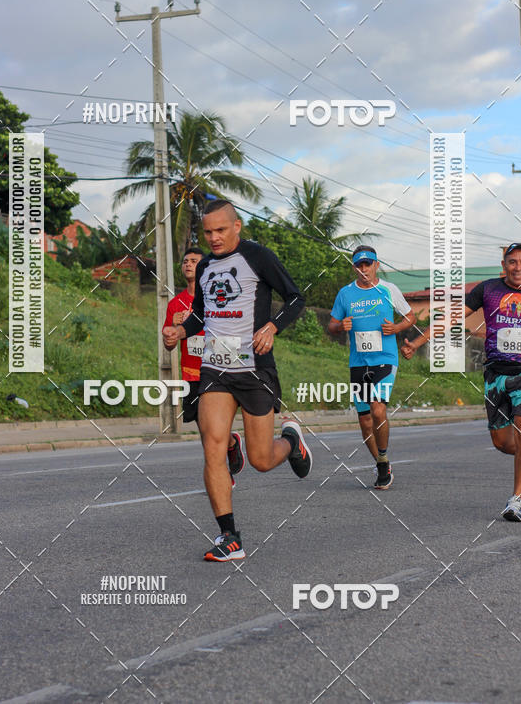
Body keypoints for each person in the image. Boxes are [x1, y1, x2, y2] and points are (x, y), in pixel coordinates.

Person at [162, 200, 310, 561]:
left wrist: (272, 326)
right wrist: (181, 329)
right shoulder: (207, 265)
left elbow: (295, 299)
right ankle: (229, 537)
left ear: (237, 226)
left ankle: (291, 441)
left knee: (261, 459)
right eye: (207, 232)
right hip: (215, 369)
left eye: (220, 230)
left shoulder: (258, 256)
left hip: (254, 369)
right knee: (211, 444)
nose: (213, 238)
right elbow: (201, 310)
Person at [451, 244, 521, 521]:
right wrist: (418, 340)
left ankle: (516, 500)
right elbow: (455, 315)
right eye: (512, 262)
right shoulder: (487, 290)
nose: (518, 267)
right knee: (502, 442)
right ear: (504, 265)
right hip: (495, 374)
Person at [328, 246, 416, 489]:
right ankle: (381, 463)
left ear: (377, 265)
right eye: (359, 265)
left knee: (378, 410)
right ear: (354, 267)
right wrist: (340, 326)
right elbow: (332, 325)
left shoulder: (388, 289)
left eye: (368, 264)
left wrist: (397, 328)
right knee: (366, 420)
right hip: (358, 362)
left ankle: (384, 455)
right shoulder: (345, 294)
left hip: (385, 359)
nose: (364, 269)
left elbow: (411, 316)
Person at [163, 247, 245, 485]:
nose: (188, 264)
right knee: (204, 430)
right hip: (190, 374)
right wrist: (174, 330)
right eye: (185, 261)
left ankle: (222, 467)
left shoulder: (219, 294)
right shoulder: (175, 303)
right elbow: (168, 345)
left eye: (195, 261)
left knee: (213, 428)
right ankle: (227, 451)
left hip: (216, 370)